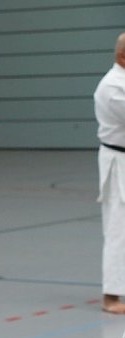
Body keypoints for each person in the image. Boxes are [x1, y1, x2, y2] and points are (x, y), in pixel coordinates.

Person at [94, 32, 125, 314]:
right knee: (118, 229)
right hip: (118, 163)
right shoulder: (112, 86)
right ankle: (111, 296)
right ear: (122, 57)